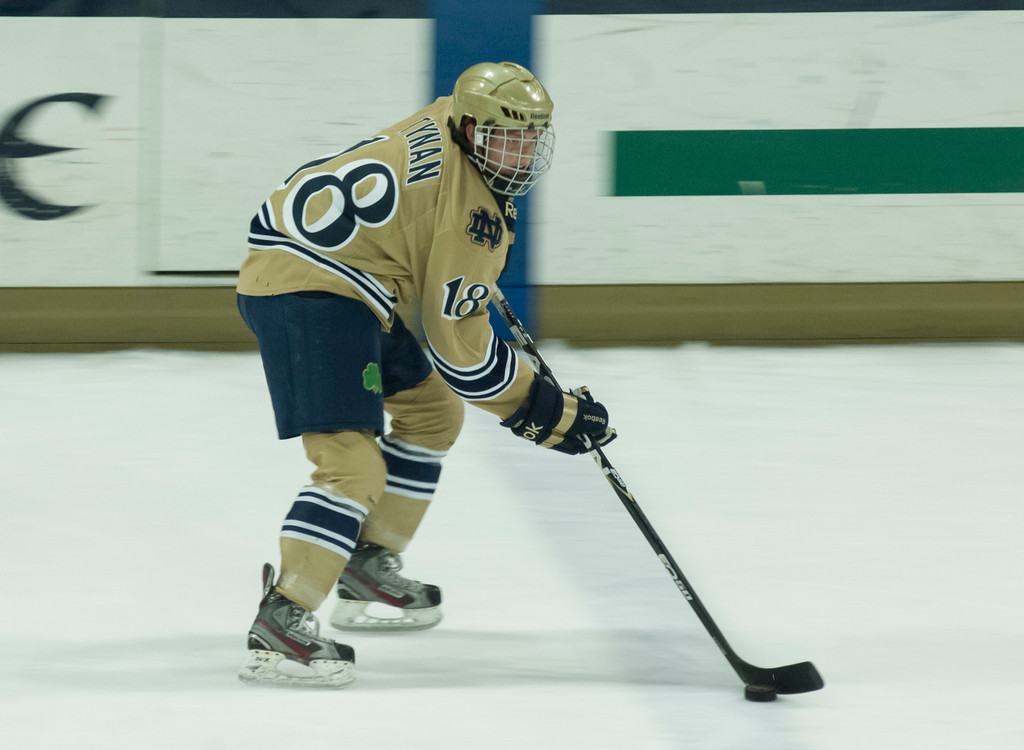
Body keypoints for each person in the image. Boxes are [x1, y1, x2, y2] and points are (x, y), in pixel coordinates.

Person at [236, 61, 616, 688]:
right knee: (352, 467)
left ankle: (365, 560)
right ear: (471, 128)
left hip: (339, 273)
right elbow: (462, 356)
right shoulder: (473, 217)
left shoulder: (451, 116)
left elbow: (429, 254)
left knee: (433, 412)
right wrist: (546, 412)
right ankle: (283, 616)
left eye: (531, 137)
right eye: (506, 137)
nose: (521, 154)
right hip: (308, 289)